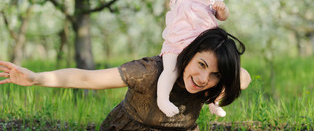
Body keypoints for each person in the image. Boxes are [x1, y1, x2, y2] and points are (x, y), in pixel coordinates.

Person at [0, 27, 251, 131]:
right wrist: (36, 79)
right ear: (187, 52)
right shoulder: (149, 72)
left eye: (215, 74)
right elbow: (88, 79)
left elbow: (244, 78)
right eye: (202, 65)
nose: (203, 78)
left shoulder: (211, 82)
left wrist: (227, 74)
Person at [150, 0, 231, 117]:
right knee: (170, 70)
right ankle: (162, 99)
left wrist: (223, 10)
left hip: (203, 46)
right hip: (177, 43)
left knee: (218, 70)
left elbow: (222, 17)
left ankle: (214, 101)